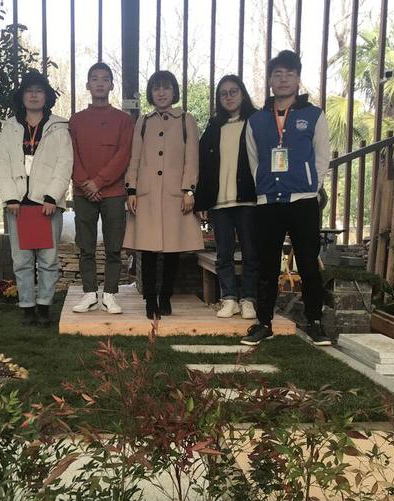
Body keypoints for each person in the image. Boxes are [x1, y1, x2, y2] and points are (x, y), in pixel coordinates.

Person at [241, 50, 331, 346]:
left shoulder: (314, 115)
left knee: (308, 263)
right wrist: (263, 186)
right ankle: (263, 322)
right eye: (277, 74)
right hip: (269, 202)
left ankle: (315, 321)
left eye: (289, 74)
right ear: (270, 80)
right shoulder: (256, 120)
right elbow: (254, 161)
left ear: (298, 78)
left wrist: (310, 185)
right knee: (267, 265)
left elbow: (322, 157)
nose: (283, 80)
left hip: (303, 201)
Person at [0, 70, 72, 328]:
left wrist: (52, 196)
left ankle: (44, 306)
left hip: (47, 204)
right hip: (18, 205)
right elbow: (2, 164)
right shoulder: (9, 126)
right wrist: (10, 198)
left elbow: (65, 163)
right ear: (22, 96)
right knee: (22, 260)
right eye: (29, 91)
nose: (34, 95)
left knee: (48, 259)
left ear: (47, 96)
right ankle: (27, 307)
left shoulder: (59, 127)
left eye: (39, 91)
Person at [124, 70, 204, 320]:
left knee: (172, 250)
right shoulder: (143, 121)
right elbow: (135, 157)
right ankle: (150, 300)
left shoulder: (186, 120)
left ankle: (166, 296)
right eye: (156, 88)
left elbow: (192, 159)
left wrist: (189, 189)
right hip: (147, 195)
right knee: (146, 250)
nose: (161, 92)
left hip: (175, 195)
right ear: (151, 93)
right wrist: (132, 189)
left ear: (174, 91)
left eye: (166, 87)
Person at [69, 62, 134, 314]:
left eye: (105, 79)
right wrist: (85, 182)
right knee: (85, 246)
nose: (99, 83)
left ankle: (110, 294)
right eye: (94, 78)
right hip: (82, 191)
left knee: (114, 247)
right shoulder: (76, 120)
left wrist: (99, 181)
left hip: (114, 192)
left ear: (111, 85)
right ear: (88, 85)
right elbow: (71, 155)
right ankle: (89, 294)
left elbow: (124, 155)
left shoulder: (123, 120)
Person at [195, 74, 259, 320]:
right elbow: (203, 164)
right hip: (220, 201)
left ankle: (249, 299)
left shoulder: (255, 121)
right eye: (223, 94)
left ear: (242, 93)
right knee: (223, 253)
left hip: (248, 199)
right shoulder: (214, 127)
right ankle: (229, 298)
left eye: (233, 92)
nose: (229, 97)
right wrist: (202, 200)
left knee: (251, 252)